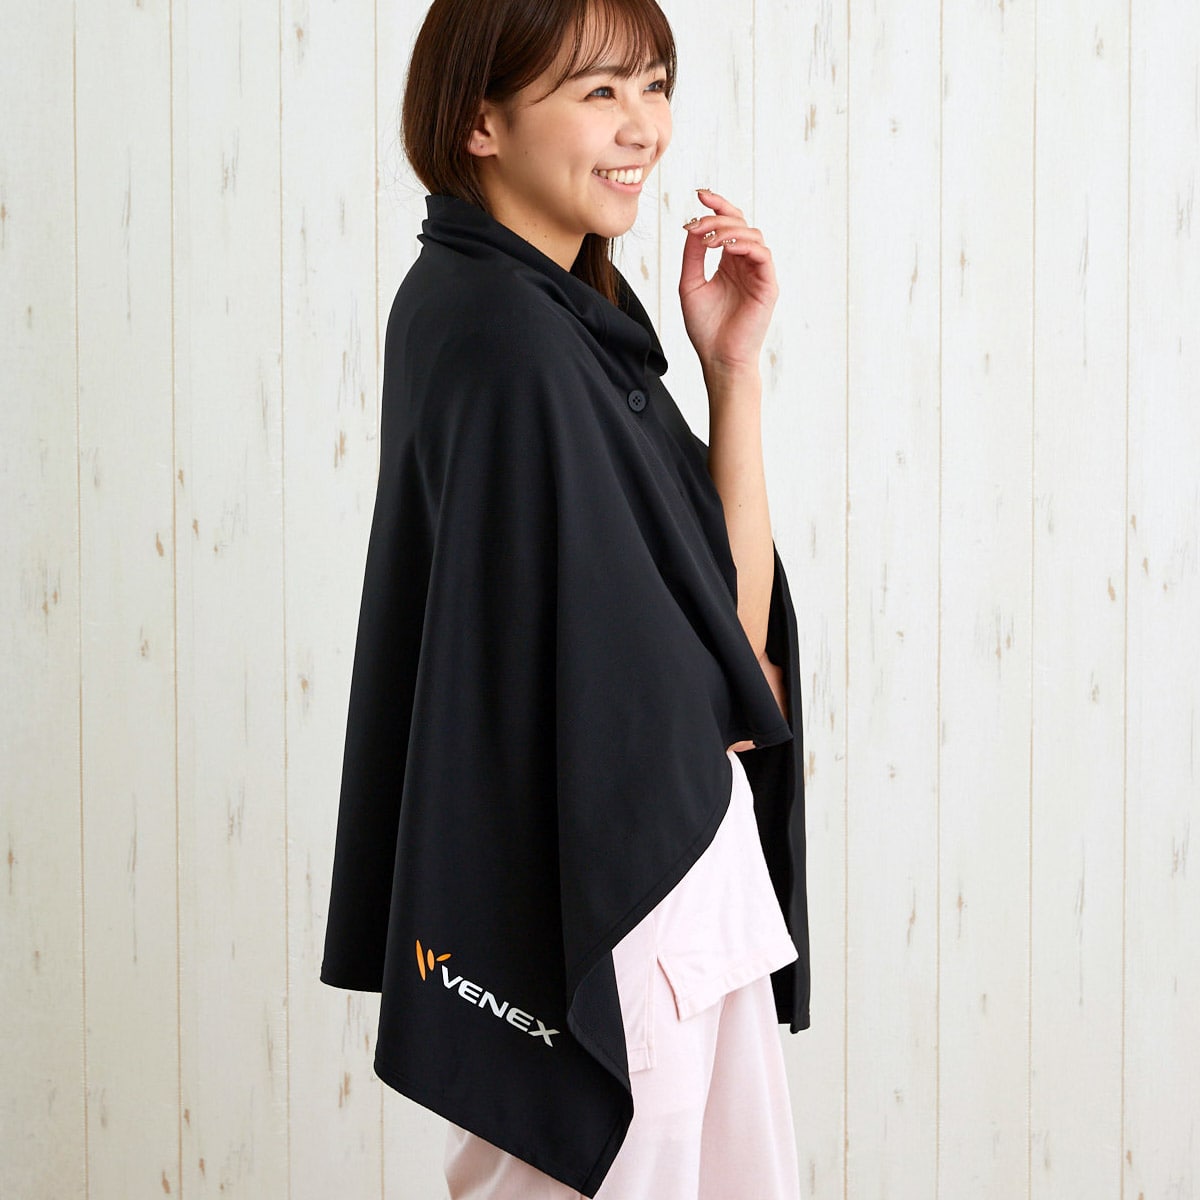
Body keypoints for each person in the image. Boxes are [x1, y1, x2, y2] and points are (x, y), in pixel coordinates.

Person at [320, 0, 811, 1196]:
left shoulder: (548, 317)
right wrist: (725, 688)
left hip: (656, 880)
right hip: (626, 899)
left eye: (653, 83)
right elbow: (726, 675)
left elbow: (725, 636)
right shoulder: (513, 338)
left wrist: (732, 373)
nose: (644, 126)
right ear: (480, 121)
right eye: (599, 91)